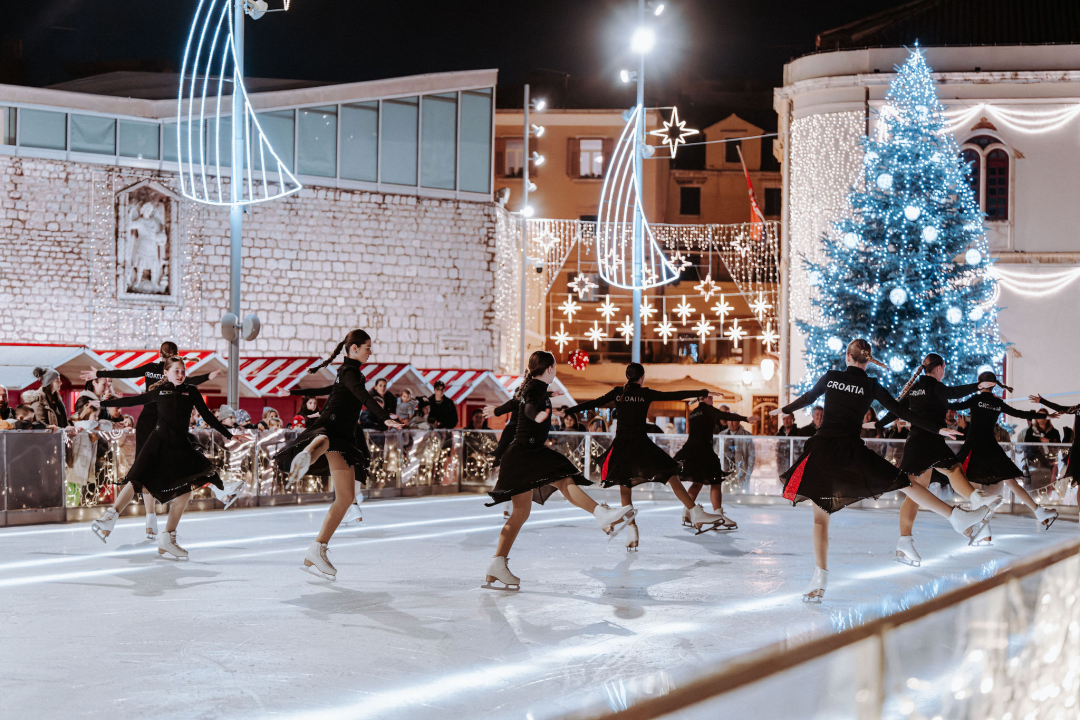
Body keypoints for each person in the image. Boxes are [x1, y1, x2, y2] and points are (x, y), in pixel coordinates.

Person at [770, 339, 990, 603]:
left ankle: (820, 578)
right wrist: (938, 428)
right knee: (904, 483)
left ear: (847, 357)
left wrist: (783, 409)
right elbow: (901, 411)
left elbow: (808, 398)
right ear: (867, 360)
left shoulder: (831, 377)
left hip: (823, 451)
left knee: (820, 519)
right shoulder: (871, 384)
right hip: (852, 452)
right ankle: (955, 517)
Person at [482, 351, 635, 590]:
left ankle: (497, 563)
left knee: (520, 513)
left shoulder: (531, 388)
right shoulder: (535, 390)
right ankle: (600, 513)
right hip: (527, 453)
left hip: (520, 455)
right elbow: (529, 406)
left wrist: (498, 411)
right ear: (550, 369)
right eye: (555, 367)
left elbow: (517, 403)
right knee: (564, 478)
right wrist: (537, 414)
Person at [273, 330, 404, 580]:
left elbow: (327, 388)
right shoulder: (350, 372)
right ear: (354, 348)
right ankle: (306, 455)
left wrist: (293, 393)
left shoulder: (347, 372)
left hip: (343, 433)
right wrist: (384, 417)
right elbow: (365, 397)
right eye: (367, 347)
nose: (370, 352)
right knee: (325, 441)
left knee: (345, 497)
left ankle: (316, 549)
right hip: (335, 425)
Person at [561, 363, 728, 551]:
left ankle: (632, 530)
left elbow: (593, 403)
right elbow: (674, 395)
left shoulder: (618, 393)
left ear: (628, 377)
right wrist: (702, 393)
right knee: (671, 475)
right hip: (642, 446)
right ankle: (694, 511)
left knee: (625, 486)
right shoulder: (645, 393)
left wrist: (567, 411)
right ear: (642, 378)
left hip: (622, 447)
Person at [89, 357, 240, 556]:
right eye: (176, 370)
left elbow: (208, 416)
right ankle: (112, 518)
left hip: (179, 445)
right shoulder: (159, 391)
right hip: (158, 442)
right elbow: (133, 400)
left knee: (186, 488)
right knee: (138, 479)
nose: (180, 374)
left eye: (183, 371)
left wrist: (230, 435)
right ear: (166, 373)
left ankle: (167, 537)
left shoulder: (191, 391)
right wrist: (102, 403)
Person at [873, 354, 1001, 563]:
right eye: (944, 368)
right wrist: (978, 386)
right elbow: (953, 392)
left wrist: (878, 424)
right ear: (940, 368)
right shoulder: (935, 386)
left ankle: (905, 542)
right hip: (929, 440)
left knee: (924, 489)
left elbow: (896, 410)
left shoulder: (915, 387)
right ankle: (974, 503)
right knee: (951, 470)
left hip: (921, 441)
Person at [944, 375, 1061, 532]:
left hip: (974, 446)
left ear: (980, 383)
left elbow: (953, 406)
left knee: (967, 481)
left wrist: (932, 398)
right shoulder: (997, 402)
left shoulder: (975, 399)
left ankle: (983, 528)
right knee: (1010, 482)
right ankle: (1038, 511)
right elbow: (1020, 413)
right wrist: (1045, 416)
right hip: (991, 447)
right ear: (993, 385)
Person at [678, 399, 757, 530]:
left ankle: (687, 512)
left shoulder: (693, 413)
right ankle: (718, 515)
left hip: (692, 451)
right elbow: (725, 415)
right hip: (705, 452)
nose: (712, 401)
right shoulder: (707, 409)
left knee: (697, 482)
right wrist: (745, 418)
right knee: (715, 481)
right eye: (710, 398)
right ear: (705, 399)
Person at [1031, 394, 1078, 488]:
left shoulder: (1053, 432)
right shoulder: (1077, 409)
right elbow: (1060, 408)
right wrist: (1042, 401)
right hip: (1076, 445)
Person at [1021, 409, 1061, 475]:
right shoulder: (1031, 431)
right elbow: (1027, 442)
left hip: (1050, 462)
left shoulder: (1054, 432)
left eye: (1044, 416)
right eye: (1039, 416)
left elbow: (1058, 445)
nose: (1042, 419)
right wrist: (1040, 439)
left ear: (1048, 418)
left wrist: (1049, 441)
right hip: (1034, 462)